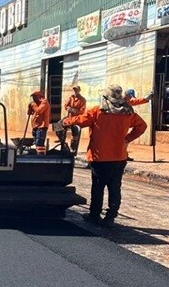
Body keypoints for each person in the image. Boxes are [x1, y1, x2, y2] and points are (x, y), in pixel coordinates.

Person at [62, 85, 147, 227]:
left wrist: (65, 121)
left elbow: (81, 120)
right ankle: (110, 217)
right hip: (119, 157)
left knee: (98, 187)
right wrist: (127, 139)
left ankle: (94, 215)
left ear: (106, 97)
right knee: (115, 187)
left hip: (100, 157)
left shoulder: (98, 111)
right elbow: (142, 126)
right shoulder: (127, 112)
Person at [63, 84, 86, 153]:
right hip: (69, 118)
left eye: (76, 90)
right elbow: (66, 106)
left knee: (75, 134)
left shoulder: (82, 100)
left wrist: (73, 110)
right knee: (59, 126)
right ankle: (62, 144)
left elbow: (82, 111)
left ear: (79, 91)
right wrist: (68, 108)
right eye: (74, 90)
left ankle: (73, 148)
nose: (75, 91)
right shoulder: (71, 97)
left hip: (76, 119)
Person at [28, 90, 51, 155]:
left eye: (35, 96)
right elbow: (30, 113)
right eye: (33, 97)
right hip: (35, 126)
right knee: (36, 143)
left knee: (39, 143)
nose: (33, 98)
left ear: (39, 96)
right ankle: (38, 156)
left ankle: (41, 157)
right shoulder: (36, 104)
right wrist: (30, 107)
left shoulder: (44, 102)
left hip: (42, 126)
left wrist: (33, 105)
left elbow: (39, 111)